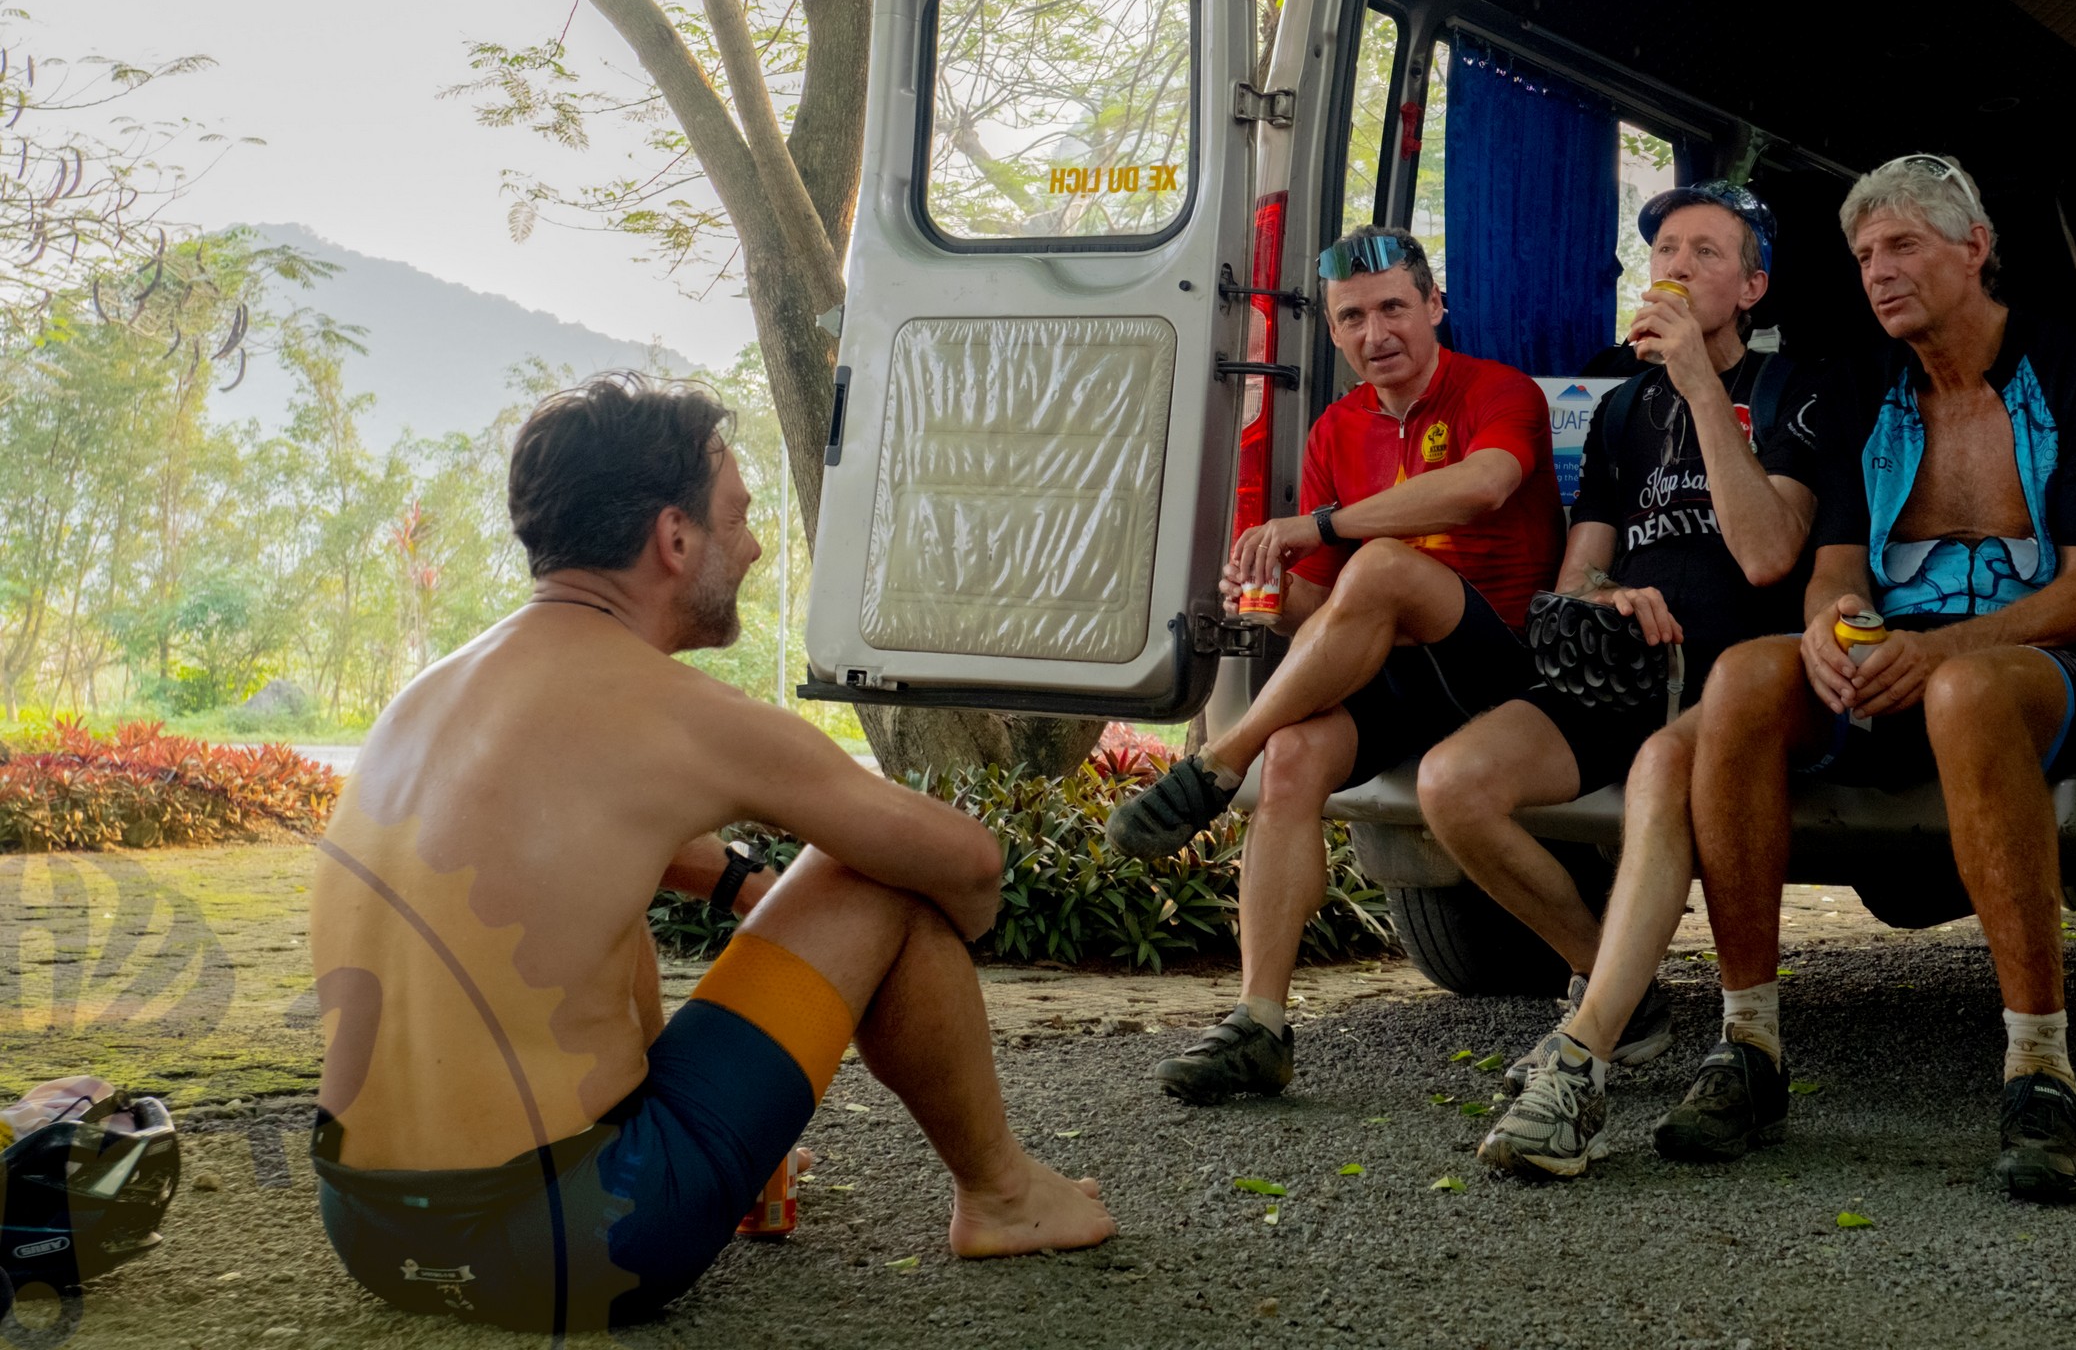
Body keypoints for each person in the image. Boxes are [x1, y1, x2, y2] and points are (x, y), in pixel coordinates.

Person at [309, 376, 1113, 1335]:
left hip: (368, 1230)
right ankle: (1005, 1194)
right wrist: (951, 925)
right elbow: (968, 862)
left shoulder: (431, 696)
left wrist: (740, 884)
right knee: (875, 868)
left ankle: (684, 1130)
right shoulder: (674, 712)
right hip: (581, 1240)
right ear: (673, 538)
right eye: (736, 516)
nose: (754, 544)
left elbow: (582, 859)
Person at [1662, 154, 2076, 1202]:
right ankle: (1745, 1049)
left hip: (2041, 663)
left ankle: (2040, 1072)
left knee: (1964, 691)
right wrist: (1835, 624)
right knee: (1742, 678)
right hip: (1898, 657)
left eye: (1902, 246)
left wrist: (1943, 653)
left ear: (1974, 249)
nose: (1877, 272)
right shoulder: (1859, 384)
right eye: (1864, 254)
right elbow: (1834, 569)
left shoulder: (2070, 369)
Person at [1103, 226, 1563, 1103]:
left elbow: (1485, 487)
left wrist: (1318, 530)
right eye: (1352, 317)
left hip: (1500, 673)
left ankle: (1215, 760)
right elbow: (1328, 610)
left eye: (1394, 306)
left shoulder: (1498, 391)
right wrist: (1266, 589)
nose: (1374, 331)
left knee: (1384, 567)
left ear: (1436, 307)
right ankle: (1259, 1025)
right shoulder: (1334, 428)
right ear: (1336, 334)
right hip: (1396, 674)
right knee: (1292, 760)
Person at [1471, 183, 1830, 1178]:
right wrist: (1607, 594)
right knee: (1454, 785)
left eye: (1706, 252)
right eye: (1664, 248)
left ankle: (1581, 1053)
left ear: (1752, 285)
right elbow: (1576, 575)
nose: (1675, 265)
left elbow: (1766, 555)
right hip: (1624, 675)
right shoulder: (1623, 407)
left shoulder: (1795, 387)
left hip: (1734, 682)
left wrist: (1704, 390)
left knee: (1666, 765)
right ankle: (1623, 993)